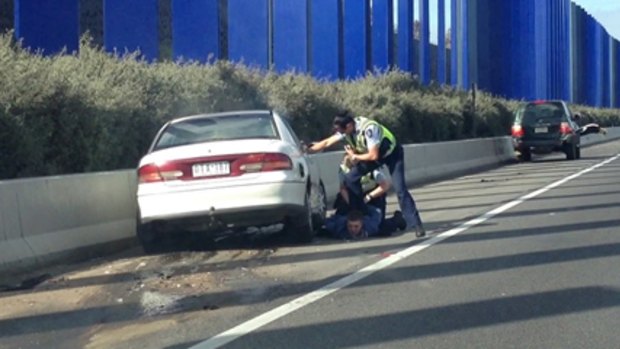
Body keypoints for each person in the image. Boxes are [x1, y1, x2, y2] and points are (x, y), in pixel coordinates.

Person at [309, 110, 426, 237]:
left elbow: (373, 155)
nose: (341, 134)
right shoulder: (346, 128)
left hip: (391, 154)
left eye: (342, 131)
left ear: (349, 126)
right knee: (350, 178)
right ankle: (358, 213)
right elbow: (326, 142)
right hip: (371, 157)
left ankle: (416, 224)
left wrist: (354, 156)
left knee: (400, 189)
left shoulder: (369, 129)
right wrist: (307, 150)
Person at [334, 155, 406, 235]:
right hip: (351, 196)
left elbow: (385, 185)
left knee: (379, 227)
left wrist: (369, 197)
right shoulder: (344, 168)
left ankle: (397, 220)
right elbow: (343, 188)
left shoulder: (370, 166)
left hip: (372, 196)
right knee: (339, 221)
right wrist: (351, 203)